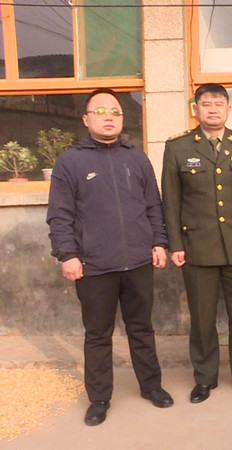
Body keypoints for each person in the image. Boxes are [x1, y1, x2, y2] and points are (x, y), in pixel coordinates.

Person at [47, 88, 173, 426]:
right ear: (86, 119)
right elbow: (59, 215)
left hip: (139, 262)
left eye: (115, 112)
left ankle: (151, 385)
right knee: (98, 334)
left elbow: (153, 206)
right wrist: (67, 255)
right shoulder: (70, 162)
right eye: (100, 111)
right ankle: (99, 397)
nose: (108, 117)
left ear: (122, 119)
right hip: (94, 265)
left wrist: (159, 243)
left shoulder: (137, 159)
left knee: (141, 328)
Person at [161, 84, 232, 403]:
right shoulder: (178, 147)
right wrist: (175, 244)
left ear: (228, 109)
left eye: (219, 103)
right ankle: (205, 378)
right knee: (202, 318)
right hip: (197, 246)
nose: (213, 109)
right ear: (195, 108)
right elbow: (171, 200)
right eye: (206, 103)